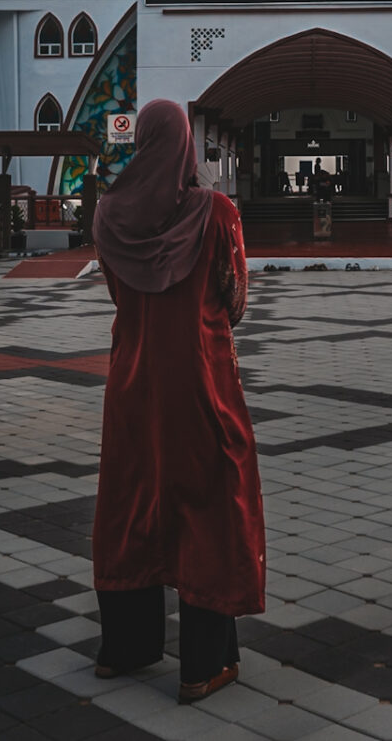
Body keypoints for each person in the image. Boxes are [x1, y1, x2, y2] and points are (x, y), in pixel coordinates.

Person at [89, 99, 263, 704]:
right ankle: (202, 663)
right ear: (188, 143)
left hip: (133, 380)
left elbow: (118, 292)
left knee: (132, 501)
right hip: (201, 379)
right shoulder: (216, 213)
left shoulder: (108, 213)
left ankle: (126, 649)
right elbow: (235, 300)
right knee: (209, 502)